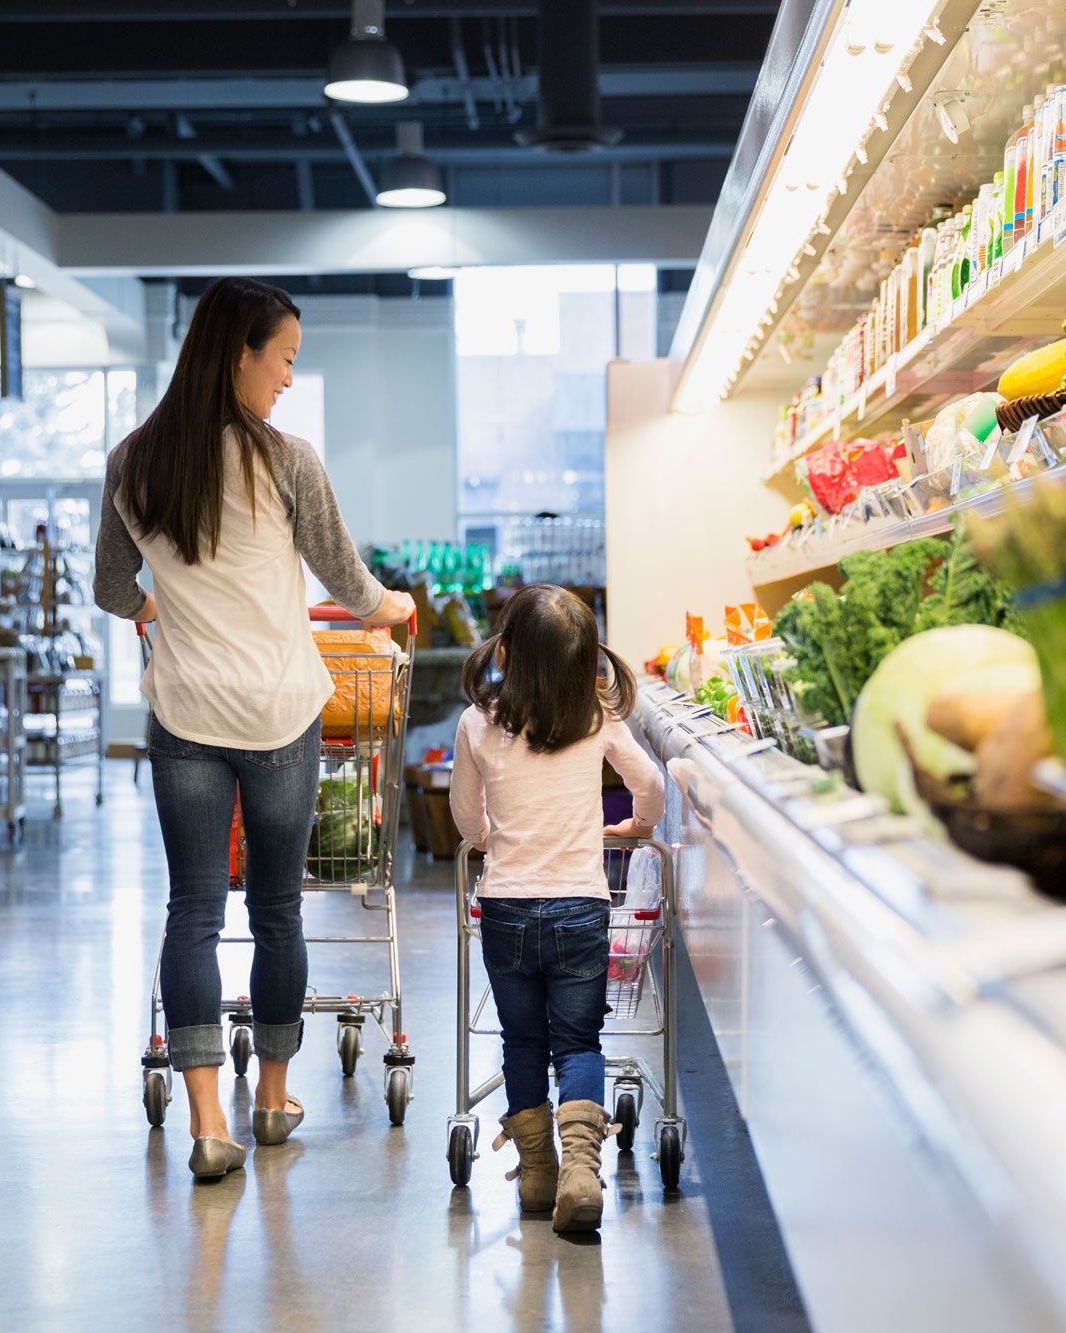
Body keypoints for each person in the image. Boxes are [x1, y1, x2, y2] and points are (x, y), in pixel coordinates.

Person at [95, 277, 415, 1182]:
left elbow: (111, 588)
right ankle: (271, 1098)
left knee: (192, 911)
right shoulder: (288, 461)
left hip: (186, 712)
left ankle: (206, 1121)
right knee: (277, 908)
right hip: (279, 712)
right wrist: (393, 603)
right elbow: (348, 582)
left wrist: (158, 603)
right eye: (283, 360)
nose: (286, 379)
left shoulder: (133, 462)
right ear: (240, 351)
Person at [449, 584, 665, 1232]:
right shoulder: (597, 719)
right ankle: (580, 1170)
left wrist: (488, 837)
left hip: (507, 911)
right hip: (580, 907)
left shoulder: (476, 723)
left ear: (506, 654)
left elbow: (466, 813)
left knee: (522, 1040)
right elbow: (649, 783)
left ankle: (538, 1174)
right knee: (578, 1041)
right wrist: (637, 825)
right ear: (583, 661)